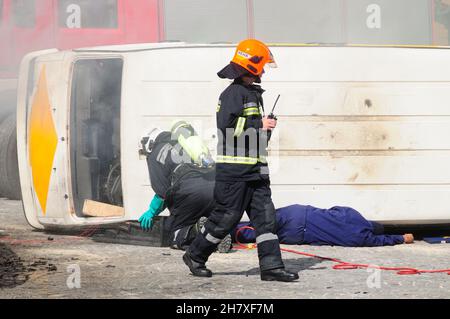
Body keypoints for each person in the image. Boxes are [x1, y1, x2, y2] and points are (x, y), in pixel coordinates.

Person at [183, 39, 299, 282]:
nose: (265, 71)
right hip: (234, 173)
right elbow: (225, 128)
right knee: (226, 218)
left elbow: (251, 137)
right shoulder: (233, 94)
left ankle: (271, 268)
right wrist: (259, 124)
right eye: (263, 66)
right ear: (252, 65)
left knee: (266, 220)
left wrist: (266, 130)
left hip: (255, 172)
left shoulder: (251, 94)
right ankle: (195, 255)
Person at [138, 121, 231, 251]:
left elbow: (162, 193)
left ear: (148, 142)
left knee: (175, 234)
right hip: (214, 186)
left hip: (190, 191)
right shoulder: (183, 143)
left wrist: (151, 211)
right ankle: (216, 233)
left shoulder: (155, 153)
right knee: (204, 214)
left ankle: (199, 229)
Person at [234, 204, 414, 247]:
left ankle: (223, 229)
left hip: (299, 212)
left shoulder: (352, 213)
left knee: (261, 223)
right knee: (263, 232)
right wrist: (401, 238)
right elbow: (379, 241)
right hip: (300, 232)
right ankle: (231, 235)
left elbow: (334, 209)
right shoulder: (360, 238)